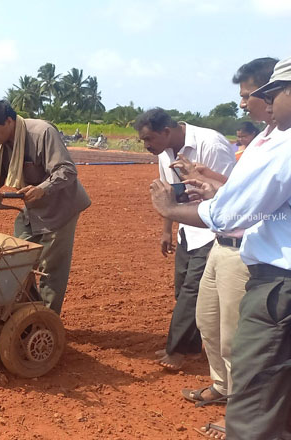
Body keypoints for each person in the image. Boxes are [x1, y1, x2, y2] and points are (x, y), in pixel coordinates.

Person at [149, 56, 291, 440]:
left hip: (260, 261)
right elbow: (247, 198)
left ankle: (243, 419)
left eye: (256, 95)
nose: (245, 103)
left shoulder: (282, 143)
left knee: (247, 350)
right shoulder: (267, 138)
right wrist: (215, 190)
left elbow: (239, 211)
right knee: (211, 325)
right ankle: (227, 392)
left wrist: (174, 209)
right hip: (225, 245)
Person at [135, 108, 236, 371]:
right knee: (182, 289)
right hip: (188, 230)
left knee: (193, 291)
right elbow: (171, 195)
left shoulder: (211, 145)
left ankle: (177, 351)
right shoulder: (164, 151)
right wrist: (167, 230)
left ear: (166, 132)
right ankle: (191, 348)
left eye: (149, 139)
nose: (147, 146)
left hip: (212, 230)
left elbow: (231, 194)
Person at [0, 98, 91, 315]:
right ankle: (28, 311)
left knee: (51, 269)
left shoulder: (41, 133)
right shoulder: (2, 143)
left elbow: (67, 170)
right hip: (32, 208)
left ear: (9, 121)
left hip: (60, 208)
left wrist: (42, 188)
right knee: (15, 257)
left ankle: (46, 320)